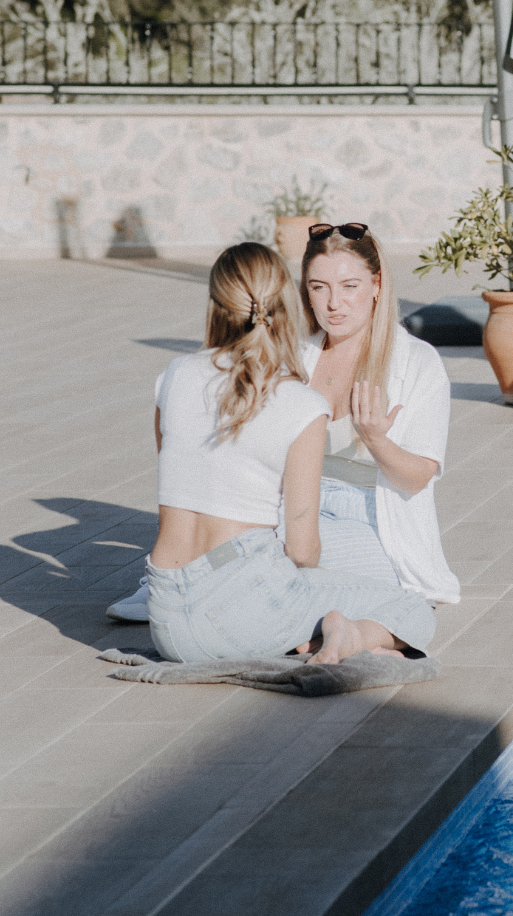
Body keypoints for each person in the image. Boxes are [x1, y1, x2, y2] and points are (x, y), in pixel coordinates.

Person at [145, 242, 435, 664]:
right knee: (412, 610)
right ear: (287, 303)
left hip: (167, 619)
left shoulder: (173, 377)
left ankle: (307, 632)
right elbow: (302, 552)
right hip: (239, 615)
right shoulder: (300, 404)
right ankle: (342, 634)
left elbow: (175, 483)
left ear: (215, 304)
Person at [300, 222, 460, 604]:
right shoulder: (296, 356)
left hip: (371, 513)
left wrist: (375, 439)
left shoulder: (416, 363)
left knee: (285, 568)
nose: (333, 303)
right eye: (318, 288)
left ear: (377, 285)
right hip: (299, 501)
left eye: (349, 287)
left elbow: (417, 478)